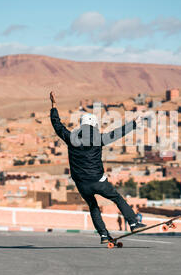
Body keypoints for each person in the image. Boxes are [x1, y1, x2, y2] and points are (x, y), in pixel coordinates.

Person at [49, 91, 146, 244]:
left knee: (93, 206)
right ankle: (134, 223)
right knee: (117, 198)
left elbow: (57, 125)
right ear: (94, 125)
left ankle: (103, 235)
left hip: (81, 184)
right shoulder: (99, 138)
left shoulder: (70, 138)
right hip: (97, 180)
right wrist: (133, 124)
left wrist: (53, 106)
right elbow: (116, 133)